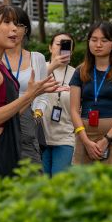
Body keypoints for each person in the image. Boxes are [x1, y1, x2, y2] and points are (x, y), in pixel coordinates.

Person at [0, 4, 57, 190]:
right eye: (7, 22)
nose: (14, 28)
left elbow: (10, 112)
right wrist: (29, 96)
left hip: (10, 147)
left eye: (16, 23)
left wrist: (36, 93)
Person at [69, 21, 112, 165]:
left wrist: (107, 139)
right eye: (94, 40)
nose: (98, 44)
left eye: (104, 40)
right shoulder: (80, 71)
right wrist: (85, 141)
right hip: (85, 134)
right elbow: (73, 110)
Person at [2, 6, 48, 164]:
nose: (14, 29)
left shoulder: (37, 58)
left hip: (28, 125)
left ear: (26, 29)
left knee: (31, 172)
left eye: (19, 25)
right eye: (8, 23)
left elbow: (43, 94)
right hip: (1, 121)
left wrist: (36, 116)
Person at [40, 32, 76, 176]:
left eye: (67, 45)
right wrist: (52, 66)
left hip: (66, 137)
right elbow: (27, 91)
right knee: (41, 185)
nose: (62, 48)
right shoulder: (40, 68)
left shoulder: (77, 74)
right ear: (50, 47)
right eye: (59, 44)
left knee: (59, 183)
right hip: (40, 137)